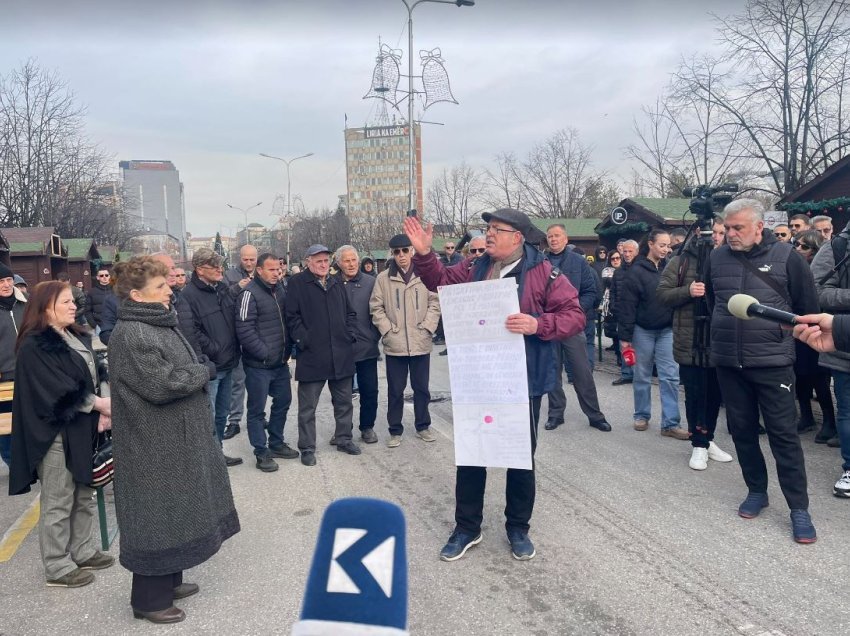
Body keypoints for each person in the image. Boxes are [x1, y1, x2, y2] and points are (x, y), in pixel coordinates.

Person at [404, 209, 585, 562]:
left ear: (516, 237)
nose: (487, 235)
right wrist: (425, 254)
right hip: (477, 378)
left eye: (495, 230)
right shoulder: (475, 267)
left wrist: (537, 324)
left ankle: (518, 527)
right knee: (472, 454)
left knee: (520, 458)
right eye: (487, 229)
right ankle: (467, 527)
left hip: (522, 381)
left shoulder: (544, 272)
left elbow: (574, 315)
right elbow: (438, 280)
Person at [108, 256, 239, 623]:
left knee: (176, 509)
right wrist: (203, 372)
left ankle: (169, 577)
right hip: (152, 442)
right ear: (136, 294)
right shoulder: (133, 333)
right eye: (161, 287)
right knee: (156, 515)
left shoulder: (156, 322)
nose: (170, 290)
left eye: (168, 284)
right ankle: (149, 601)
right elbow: (161, 383)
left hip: (172, 437)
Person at [706, 199, 820, 543]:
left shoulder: (787, 257)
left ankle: (799, 509)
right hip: (729, 362)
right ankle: (757, 490)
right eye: (727, 228)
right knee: (741, 432)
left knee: (783, 437)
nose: (731, 234)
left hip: (773, 364)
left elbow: (808, 310)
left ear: (759, 226)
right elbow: (714, 303)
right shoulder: (716, 257)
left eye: (738, 228)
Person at [8, 280, 114, 588]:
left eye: (73, 301)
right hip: (53, 433)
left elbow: (98, 370)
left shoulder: (74, 334)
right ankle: (56, 565)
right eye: (65, 302)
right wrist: (101, 405)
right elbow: (56, 389)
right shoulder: (33, 345)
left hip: (82, 428)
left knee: (84, 491)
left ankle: (83, 549)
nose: (73, 306)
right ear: (45, 308)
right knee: (58, 499)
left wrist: (103, 408)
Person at [657, 223, 734, 469]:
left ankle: (707, 439)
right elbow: (662, 295)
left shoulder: (733, 259)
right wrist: (687, 291)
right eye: (714, 232)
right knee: (695, 393)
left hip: (722, 339)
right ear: (700, 233)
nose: (718, 237)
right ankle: (698, 444)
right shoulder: (680, 261)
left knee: (715, 394)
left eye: (723, 232)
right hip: (691, 340)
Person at [286, 244, 360, 466]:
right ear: (308, 261)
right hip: (313, 355)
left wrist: (350, 334)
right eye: (318, 260)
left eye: (326, 260)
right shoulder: (298, 283)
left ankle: (344, 438)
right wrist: (304, 339)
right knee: (308, 407)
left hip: (341, 352)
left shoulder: (336, 281)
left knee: (344, 401)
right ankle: (307, 447)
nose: (323, 264)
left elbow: (350, 312)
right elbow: (292, 317)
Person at [370, 234, 441, 448]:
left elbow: (435, 302)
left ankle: (423, 426)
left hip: (420, 342)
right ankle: (395, 429)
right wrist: (388, 331)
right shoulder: (383, 278)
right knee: (395, 389)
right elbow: (376, 307)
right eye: (396, 252)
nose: (401, 255)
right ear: (392, 254)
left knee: (421, 388)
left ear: (411, 250)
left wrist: (428, 326)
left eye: (405, 250)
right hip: (396, 344)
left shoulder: (424, 275)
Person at [176, 248, 243, 467]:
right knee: (210, 417)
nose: (219, 269)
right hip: (211, 365)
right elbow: (191, 333)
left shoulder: (222, 289)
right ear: (199, 269)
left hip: (229, 361)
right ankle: (210, 460)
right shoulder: (188, 296)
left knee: (222, 414)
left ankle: (218, 453)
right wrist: (214, 349)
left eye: (220, 265)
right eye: (214, 266)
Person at [617, 230, 686, 438]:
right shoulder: (635, 272)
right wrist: (625, 338)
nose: (666, 249)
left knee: (670, 377)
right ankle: (641, 415)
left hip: (667, 330)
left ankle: (671, 423)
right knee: (642, 375)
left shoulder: (671, 268)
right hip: (642, 330)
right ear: (650, 244)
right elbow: (627, 306)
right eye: (662, 245)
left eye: (668, 246)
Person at [543, 224, 611, 433]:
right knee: (552, 372)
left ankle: (595, 415)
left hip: (572, 325)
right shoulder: (540, 262)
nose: (553, 239)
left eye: (557, 236)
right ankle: (555, 414)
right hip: (549, 324)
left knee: (582, 372)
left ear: (566, 238)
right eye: (550, 236)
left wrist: (576, 311)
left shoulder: (578, 262)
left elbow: (591, 291)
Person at [234, 253, 298, 472]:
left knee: (284, 401)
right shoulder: (248, 294)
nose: (277, 273)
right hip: (258, 365)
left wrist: (288, 349)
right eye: (271, 270)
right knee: (256, 410)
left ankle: (277, 442)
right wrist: (264, 353)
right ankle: (261, 452)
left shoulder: (280, 289)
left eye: (278, 269)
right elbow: (244, 329)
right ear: (259, 270)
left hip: (280, 363)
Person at [809, 222, 850, 493]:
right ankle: (849, 469)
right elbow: (817, 290)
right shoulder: (837, 246)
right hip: (844, 344)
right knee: (848, 411)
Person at [791, 231, 836, 442]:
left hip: (819, 329)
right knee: (800, 375)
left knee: (820, 378)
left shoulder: (821, 271)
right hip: (798, 328)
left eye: (804, 247)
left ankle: (829, 421)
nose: (798, 249)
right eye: (797, 245)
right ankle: (806, 416)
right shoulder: (793, 267)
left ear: (815, 251)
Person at [335, 245, 381, 444]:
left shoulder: (371, 282)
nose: (351, 264)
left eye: (354, 260)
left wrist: (373, 336)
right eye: (346, 261)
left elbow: (380, 310)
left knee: (369, 390)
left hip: (366, 347)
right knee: (342, 395)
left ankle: (367, 427)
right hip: (340, 349)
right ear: (338, 263)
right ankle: (343, 431)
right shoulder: (332, 283)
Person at [222, 244, 258, 441]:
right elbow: (223, 298)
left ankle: (258, 417)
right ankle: (234, 420)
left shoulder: (262, 273)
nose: (249, 263)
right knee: (238, 381)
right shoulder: (230, 275)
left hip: (257, 335)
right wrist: (238, 287)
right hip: (236, 335)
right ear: (240, 258)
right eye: (246, 259)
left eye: (252, 259)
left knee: (258, 381)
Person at [0, 263, 27, 467]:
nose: (6, 285)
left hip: (29, 372)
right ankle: (12, 462)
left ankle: (31, 461)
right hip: (4, 376)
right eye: (1, 281)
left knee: (29, 419)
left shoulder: (25, 304)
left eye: (9, 280)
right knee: (6, 425)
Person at [610, 239, 639, 385]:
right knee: (624, 346)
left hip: (639, 315)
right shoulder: (618, 272)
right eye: (625, 251)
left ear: (636, 252)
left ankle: (638, 374)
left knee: (638, 346)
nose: (627, 254)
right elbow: (613, 292)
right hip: (622, 314)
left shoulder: (641, 269)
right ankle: (626, 374)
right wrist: (615, 308)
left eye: (630, 251)